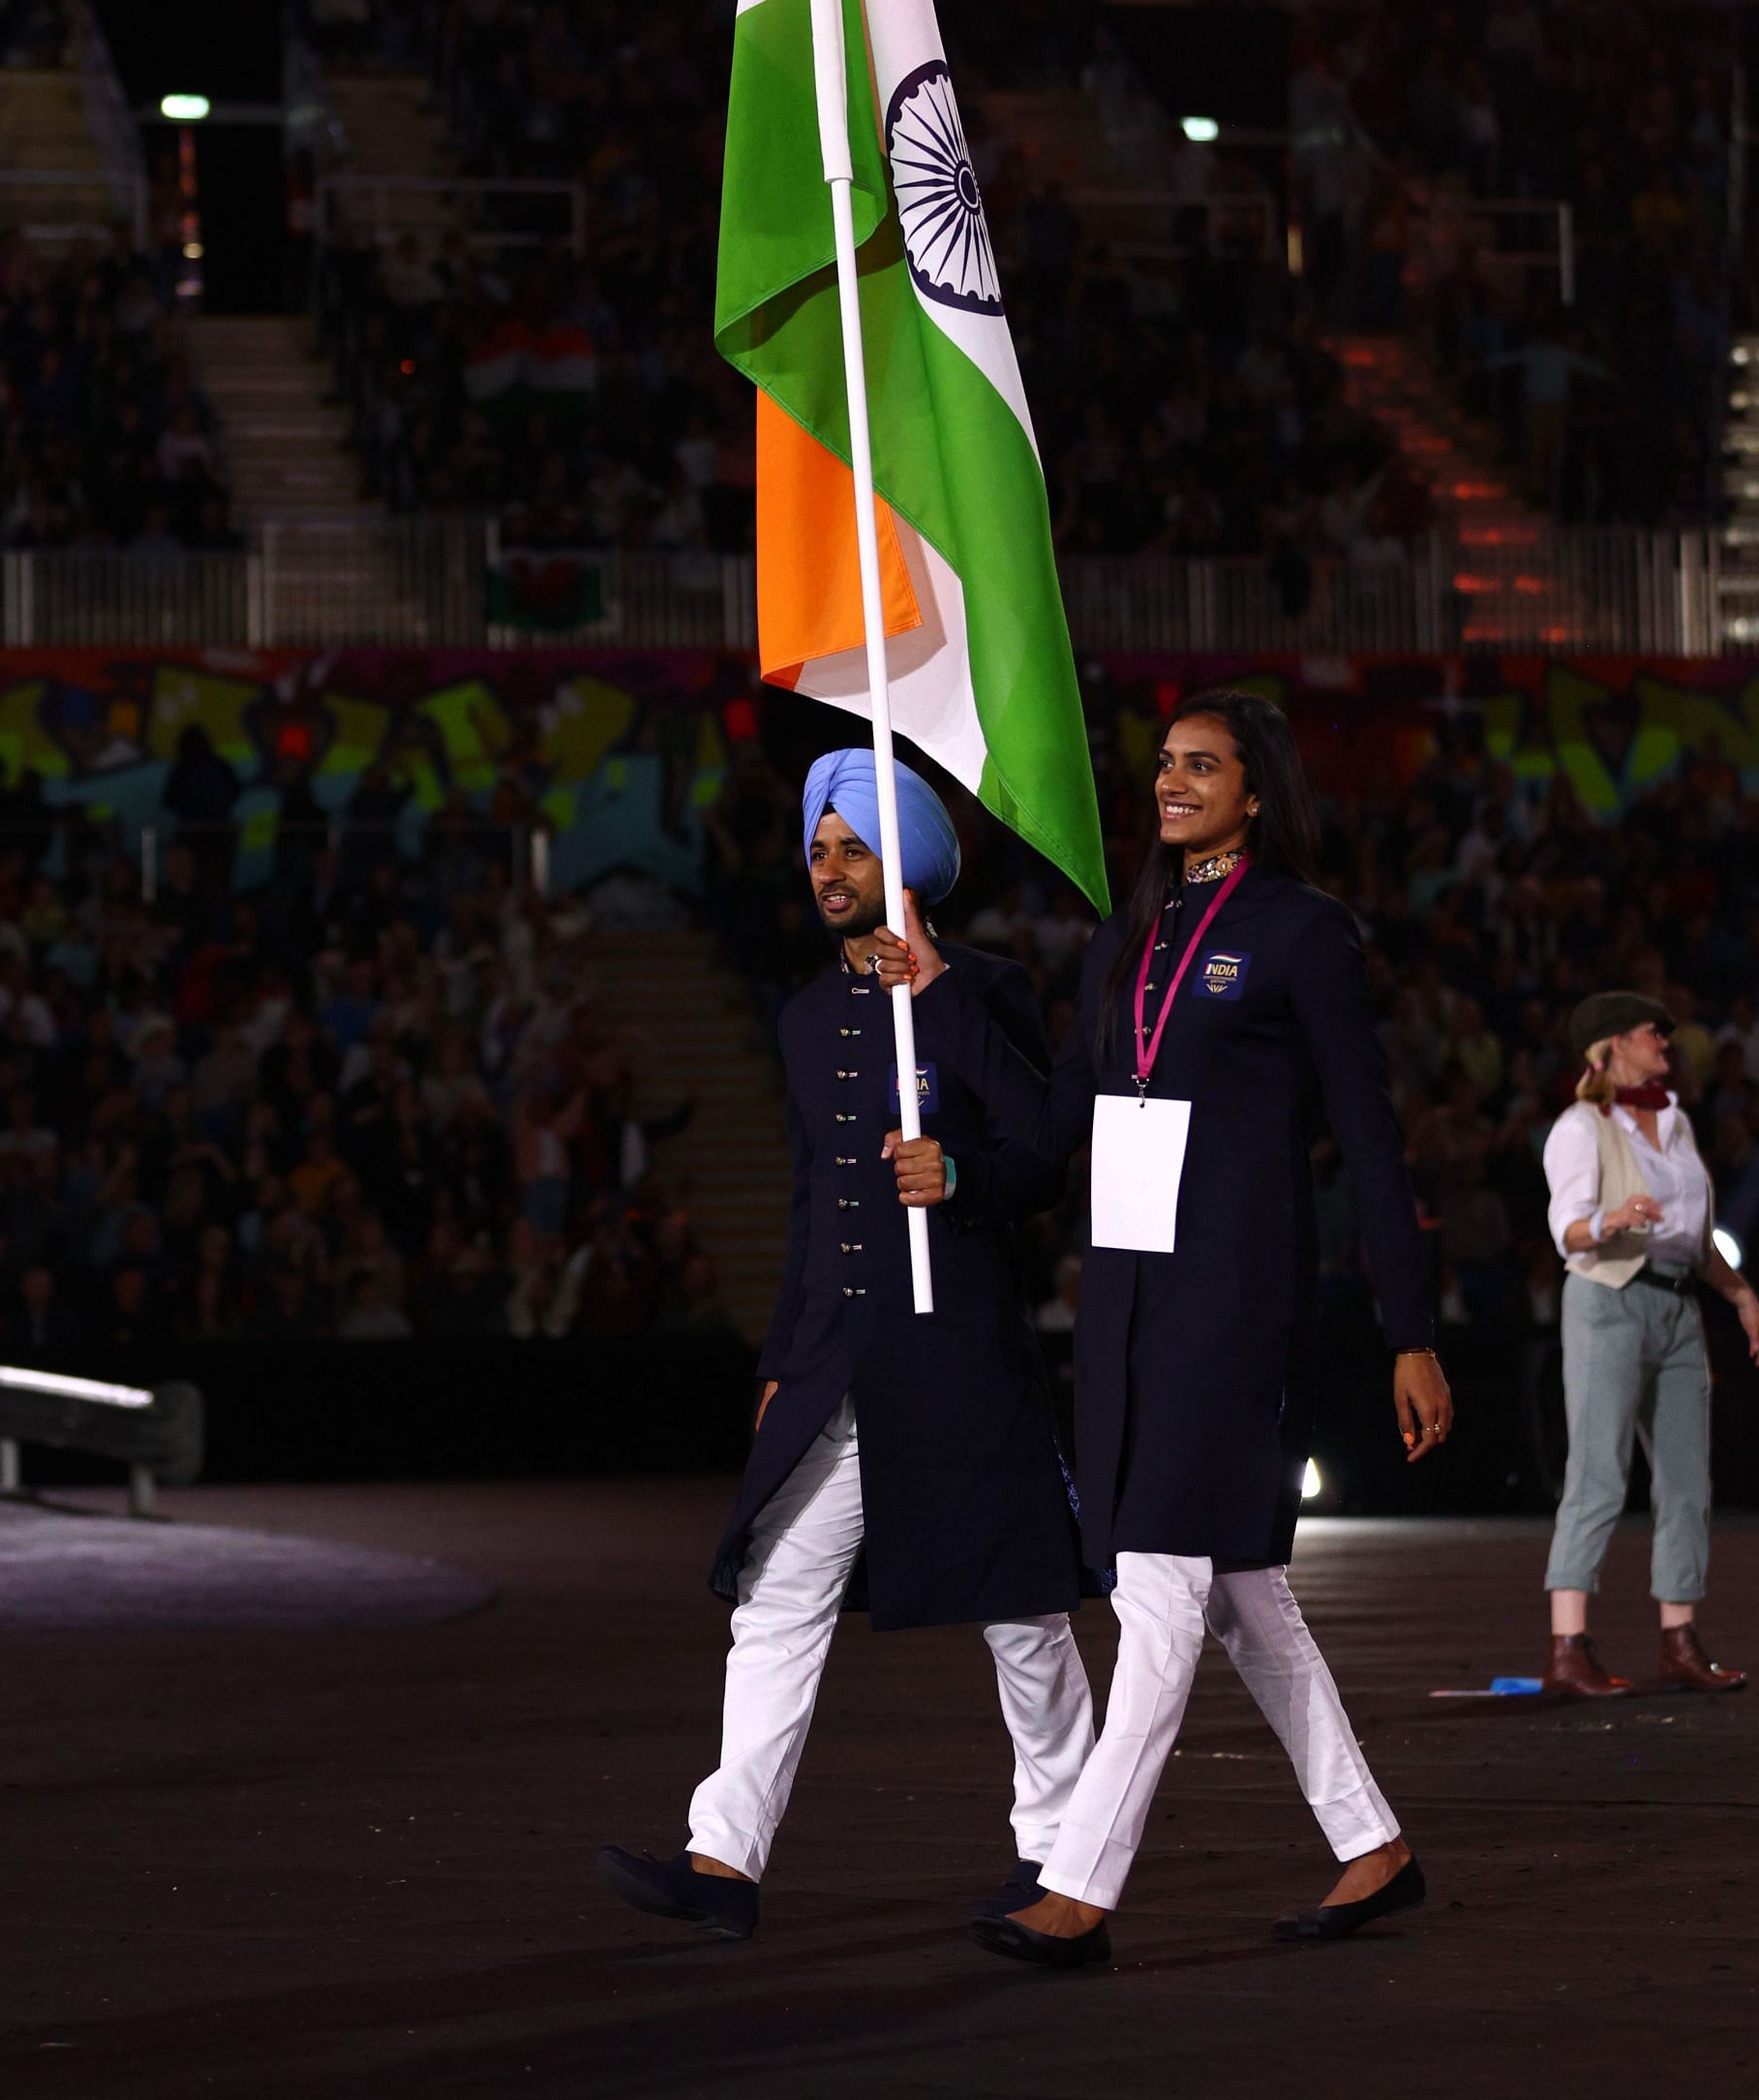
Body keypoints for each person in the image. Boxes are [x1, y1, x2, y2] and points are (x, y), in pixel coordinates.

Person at [878, 688, 1452, 1967]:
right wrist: (949, 1013)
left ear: (1258, 791)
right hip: (1126, 1296)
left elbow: (1369, 1138)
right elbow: (1051, 1129)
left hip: (1237, 1301)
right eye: (1164, 763)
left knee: (1159, 1584)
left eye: (1204, 764)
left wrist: (1411, 1329)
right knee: (1242, 1590)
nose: (1172, 781)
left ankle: (1081, 1878)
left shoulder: (1306, 933)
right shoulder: (1131, 937)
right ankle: (1373, 1843)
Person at [599, 746, 1095, 1942]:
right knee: (775, 1599)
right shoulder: (806, 1014)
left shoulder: (979, 989)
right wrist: (782, 1359)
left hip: (959, 1349)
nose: (828, 868)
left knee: (1023, 1614)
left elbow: (1046, 1151)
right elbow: (812, 1201)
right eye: (820, 849)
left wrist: (961, 1170)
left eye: (852, 848)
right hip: (835, 1362)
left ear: (906, 866)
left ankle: (1066, 1861)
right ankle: (724, 1861)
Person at [1539, 991, 1759, 1698]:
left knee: (1689, 1480)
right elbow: (1568, 1230)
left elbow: (1695, 1242)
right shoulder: (1582, 1126)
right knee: (1599, 1472)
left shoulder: (1675, 1122)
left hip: (1676, 1306)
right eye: (1650, 1035)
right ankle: (1569, 1647)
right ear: (1610, 1048)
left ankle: (1679, 1639)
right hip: (1608, 1296)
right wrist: (1611, 1218)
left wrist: (1742, 1295)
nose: (1665, 1044)